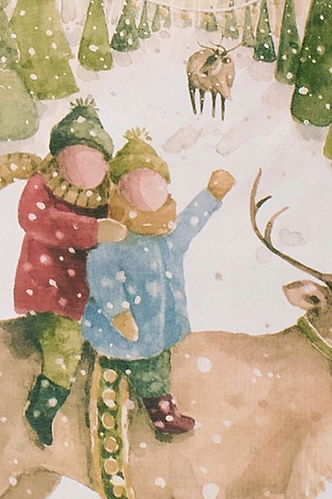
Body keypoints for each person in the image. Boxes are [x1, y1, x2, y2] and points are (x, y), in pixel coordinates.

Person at [81, 131, 234, 436]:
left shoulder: (167, 237)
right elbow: (102, 274)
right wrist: (118, 313)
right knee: (149, 368)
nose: (148, 195)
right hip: (125, 331)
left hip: (159, 325)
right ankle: (160, 411)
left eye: (154, 185)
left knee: (160, 357)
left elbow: (190, 223)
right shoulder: (115, 239)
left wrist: (212, 195)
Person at [16, 101, 127, 446]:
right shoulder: (42, 185)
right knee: (64, 348)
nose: (83, 168)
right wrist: (92, 230)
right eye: (74, 158)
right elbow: (34, 219)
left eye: (92, 160)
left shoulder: (107, 196)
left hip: (92, 296)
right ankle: (42, 408)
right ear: (59, 158)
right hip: (49, 292)